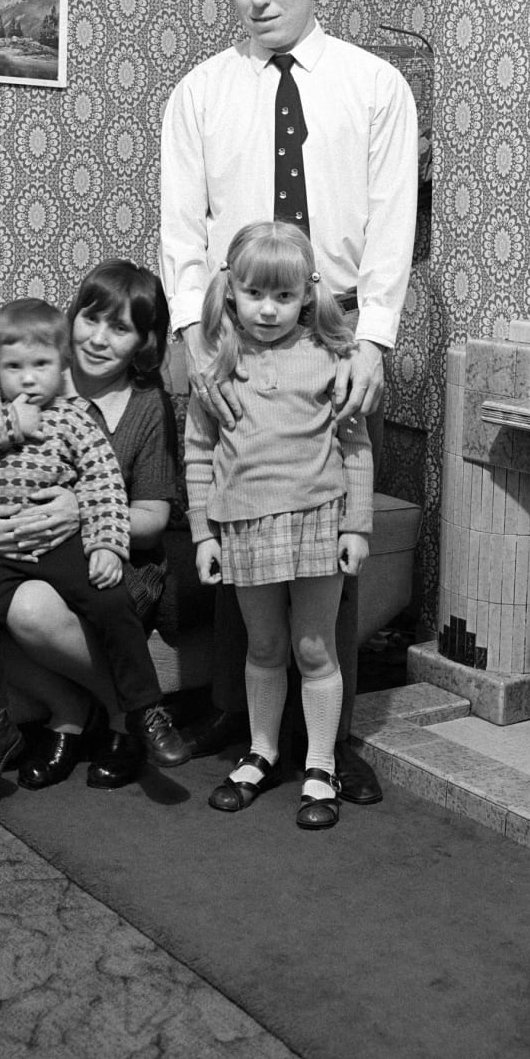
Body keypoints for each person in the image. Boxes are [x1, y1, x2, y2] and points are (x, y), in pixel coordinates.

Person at [159, 0, 417, 805]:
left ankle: (329, 743)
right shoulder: (199, 92)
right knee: (238, 513)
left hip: (334, 323)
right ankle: (247, 723)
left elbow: (393, 223)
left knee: (324, 530)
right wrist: (197, 342)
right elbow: (182, 232)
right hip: (233, 328)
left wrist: (375, 342)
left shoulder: (376, 86)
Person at [0, 260, 183, 793]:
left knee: (31, 607)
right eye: (92, 319)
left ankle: (123, 714)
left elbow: (151, 517)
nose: (100, 338)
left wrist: (81, 513)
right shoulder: (21, 376)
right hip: (13, 547)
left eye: (121, 328)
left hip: (110, 552)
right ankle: (62, 708)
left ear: (144, 342)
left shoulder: (142, 407)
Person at [186, 220, 372, 829]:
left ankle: (320, 763)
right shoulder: (215, 361)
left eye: (284, 297)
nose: (268, 310)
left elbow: (355, 446)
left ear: (309, 294)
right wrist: (203, 533)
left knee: (313, 648)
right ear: (230, 290)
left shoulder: (331, 356)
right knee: (264, 647)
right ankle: (262, 752)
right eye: (254, 294)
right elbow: (197, 451)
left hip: (319, 518)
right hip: (242, 523)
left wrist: (357, 527)